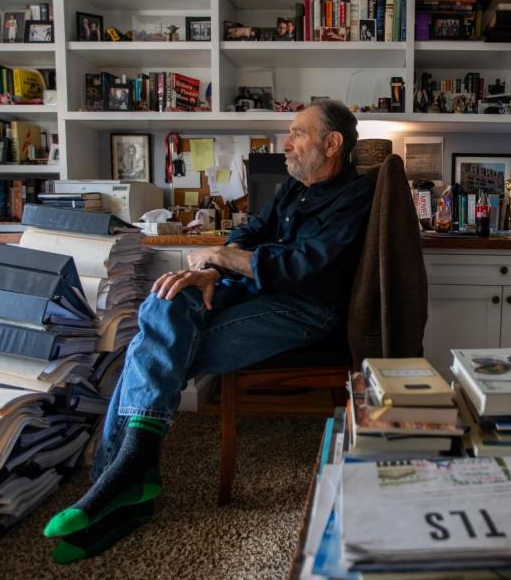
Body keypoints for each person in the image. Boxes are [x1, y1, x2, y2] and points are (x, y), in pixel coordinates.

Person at [42, 100, 373, 562]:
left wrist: (221, 259)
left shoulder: (357, 196)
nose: (286, 143)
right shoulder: (291, 188)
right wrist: (214, 269)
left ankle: (119, 483)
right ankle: (128, 477)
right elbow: (250, 232)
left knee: (149, 348)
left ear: (332, 143)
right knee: (167, 298)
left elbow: (307, 268)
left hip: (305, 313)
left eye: (298, 133)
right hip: (254, 293)